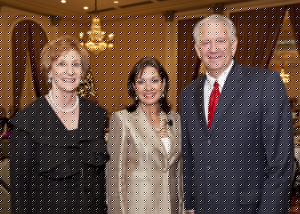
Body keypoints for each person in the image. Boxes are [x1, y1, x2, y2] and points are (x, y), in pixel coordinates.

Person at [180, 14, 293, 214]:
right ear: (198, 50)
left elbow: (280, 163)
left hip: (249, 208)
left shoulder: (265, 83)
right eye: (206, 42)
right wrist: (190, 204)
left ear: (234, 45)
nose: (213, 49)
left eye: (221, 41)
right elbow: (189, 155)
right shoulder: (188, 94)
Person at [10, 35, 109, 214]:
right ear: (49, 71)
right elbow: (19, 192)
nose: (70, 71)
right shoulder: (28, 122)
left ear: (83, 72)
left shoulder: (95, 116)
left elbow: (100, 181)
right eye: (61, 63)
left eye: (76, 64)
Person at [106, 57, 183, 214]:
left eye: (154, 80)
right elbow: (114, 177)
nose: (148, 87)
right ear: (134, 87)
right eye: (141, 82)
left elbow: (178, 171)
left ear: (163, 84)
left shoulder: (175, 119)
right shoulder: (121, 120)